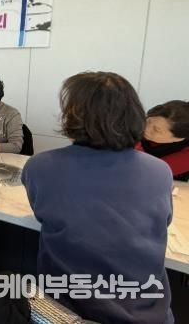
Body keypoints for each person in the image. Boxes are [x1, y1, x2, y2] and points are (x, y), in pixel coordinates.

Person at [21, 72, 173, 323]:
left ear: (73, 117)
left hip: (65, 312)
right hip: (149, 313)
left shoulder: (40, 166)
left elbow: (42, 210)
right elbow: (162, 221)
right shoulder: (160, 171)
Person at [136, 100, 189, 181]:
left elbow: (149, 172)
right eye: (149, 121)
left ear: (177, 139)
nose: (146, 128)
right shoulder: (137, 122)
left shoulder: (186, 155)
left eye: (156, 130)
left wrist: (134, 140)